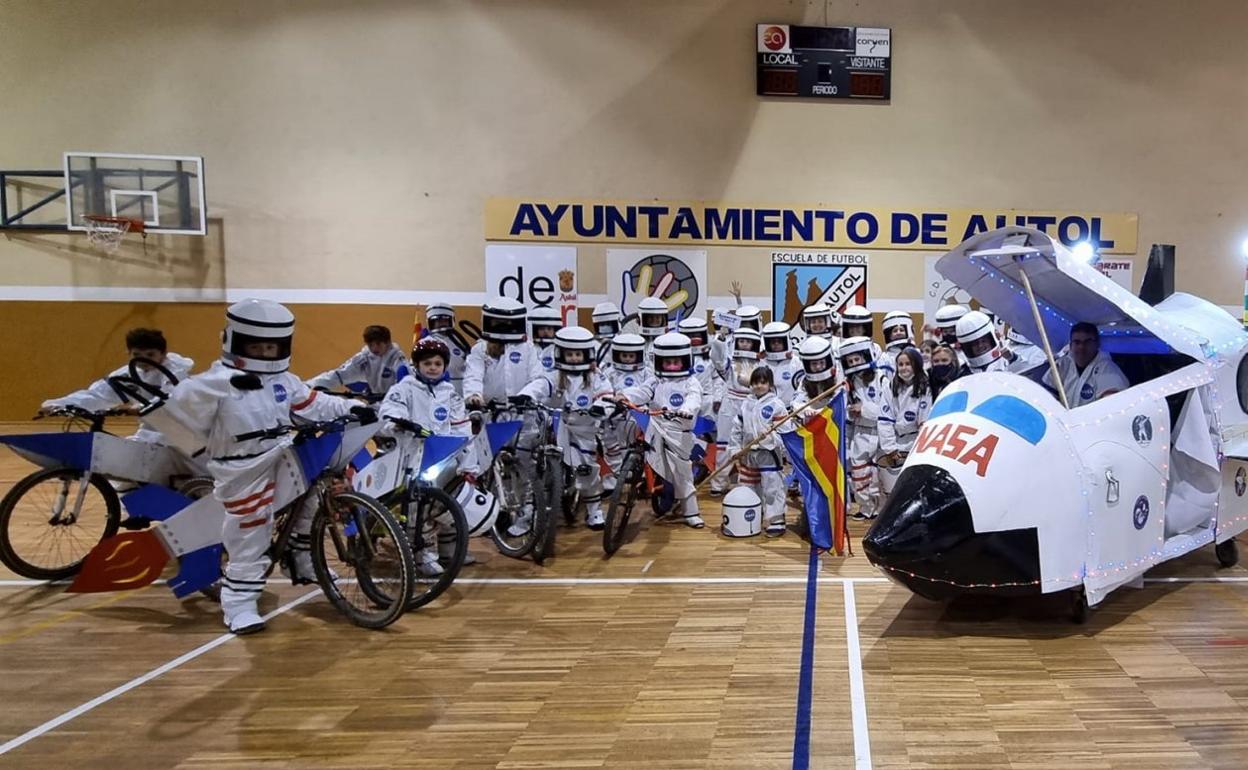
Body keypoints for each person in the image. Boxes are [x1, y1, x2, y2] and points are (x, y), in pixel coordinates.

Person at [148, 299, 370, 634]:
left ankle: (301, 554)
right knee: (251, 531)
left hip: (281, 453)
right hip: (240, 470)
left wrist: (352, 406)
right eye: (256, 346)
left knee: (317, 488)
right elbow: (180, 406)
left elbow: (313, 402)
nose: (265, 353)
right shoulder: (216, 380)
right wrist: (224, 387)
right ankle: (238, 606)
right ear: (234, 341)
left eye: (271, 346)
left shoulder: (285, 380)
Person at [378, 337, 473, 575]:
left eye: (438, 364)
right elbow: (389, 414)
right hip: (411, 458)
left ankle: (450, 550)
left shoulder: (450, 393)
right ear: (417, 365)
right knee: (416, 509)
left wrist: (467, 460)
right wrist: (400, 424)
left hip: (443, 458)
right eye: (427, 363)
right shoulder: (404, 389)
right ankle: (422, 555)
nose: (432, 367)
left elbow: (462, 427)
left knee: (448, 505)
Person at [462, 297, 551, 536]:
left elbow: (540, 378)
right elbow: (473, 375)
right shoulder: (481, 349)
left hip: (524, 415)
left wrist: (527, 395)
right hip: (492, 413)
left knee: (524, 464)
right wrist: (473, 396)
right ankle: (495, 510)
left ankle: (528, 511)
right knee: (490, 466)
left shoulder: (527, 348)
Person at [40, 327, 195, 446]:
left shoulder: (175, 371)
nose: (143, 360)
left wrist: (138, 408)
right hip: (151, 433)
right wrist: (58, 404)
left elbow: (170, 398)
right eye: (136, 355)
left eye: (150, 355)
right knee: (123, 473)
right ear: (128, 353)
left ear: (163, 354)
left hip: (183, 435)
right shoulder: (128, 374)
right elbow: (98, 394)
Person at [619, 332, 706, 528]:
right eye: (667, 362)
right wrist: (624, 395)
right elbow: (641, 392)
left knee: (683, 473)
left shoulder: (691, 382)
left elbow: (694, 399)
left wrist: (686, 410)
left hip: (679, 433)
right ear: (659, 361)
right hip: (656, 426)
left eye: (676, 361)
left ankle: (691, 512)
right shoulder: (655, 381)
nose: (672, 366)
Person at [542, 326, 615, 530]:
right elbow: (539, 386)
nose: (574, 358)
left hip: (584, 430)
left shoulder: (595, 376)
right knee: (543, 464)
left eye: (577, 354)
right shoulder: (554, 375)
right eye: (569, 354)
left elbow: (606, 394)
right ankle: (543, 507)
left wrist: (601, 408)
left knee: (587, 469)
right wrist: (527, 395)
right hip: (557, 427)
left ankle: (594, 511)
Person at [730, 366, 789, 537]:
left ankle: (777, 519)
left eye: (763, 383)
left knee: (772, 487)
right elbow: (737, 428)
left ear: (770, 384)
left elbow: (785, 431)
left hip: (768, 453)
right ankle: (753, 514)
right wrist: (735, 448)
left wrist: (770, 438)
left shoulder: (777, 405)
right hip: (749, 453)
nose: (758, 386)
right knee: (748, 485)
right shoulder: (746, 404)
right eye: (755, 382)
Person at [840, 336, 890, 520]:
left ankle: (881, 509)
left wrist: (865, 409)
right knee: (859, 471)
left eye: (857, 359)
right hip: (860, 432)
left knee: (878, 474)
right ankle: (865, 507)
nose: (854, 364)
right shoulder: (849, 383)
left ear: (866, 356)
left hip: (879, 432)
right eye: (850, 361)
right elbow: (844, 411)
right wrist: (850, 413)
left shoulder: (881, 379)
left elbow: (888, 411)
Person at [711, 327, 761, 496]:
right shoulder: (730, 362)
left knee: (750, 444)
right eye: (742, 341)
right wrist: (721, 339)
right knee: (723, 445)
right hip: (730, 402)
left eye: (748, 342)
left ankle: (747, 484)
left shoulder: (760, 364)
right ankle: (718, 483)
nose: (745, 345)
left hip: (751, 403)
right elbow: (717, 360)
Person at [878, 347, 932, 503]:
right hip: (896, 443)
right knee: (893, 492)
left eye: (908, 364)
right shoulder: (890, 386)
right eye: (900, 364)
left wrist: (920, 448)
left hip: (916, 442)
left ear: (916, 365)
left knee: (915, 488)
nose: (904, 368)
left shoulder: (925, 387)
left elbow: (924, 420)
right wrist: (890, 447)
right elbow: (885, 418)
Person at [1042, 322, 1129, 407]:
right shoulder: (1062, 365)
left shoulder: (1109, 370)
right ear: (1071, 345)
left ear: (1097, 344)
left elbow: (1111, 408)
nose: (1081, 347)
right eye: (1077, 342)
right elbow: (1045, 400)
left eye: (1087, 342)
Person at [308, 325, 410, 396]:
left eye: (378, 344)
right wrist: (310, 385)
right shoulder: (364, 358)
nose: (374, 348)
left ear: (388, 342)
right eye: (370, 345)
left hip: (395, 404)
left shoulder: (397, 358)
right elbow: (339, 375)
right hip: (375, 403)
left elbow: (405, 382)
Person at [425, 303, 470, 395]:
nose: (441, 324)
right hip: (436, 390)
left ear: (451, 320)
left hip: (461, 390)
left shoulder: (458, 341)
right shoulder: (426, 343)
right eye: (437, 321)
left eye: (444, 321)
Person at [761, 320, 800, 403]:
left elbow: (801, 388)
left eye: (779, 342)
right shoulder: (762, 363)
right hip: (767, 409)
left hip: (790, 409)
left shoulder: (795, 362)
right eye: (773, 342)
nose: (776, 344)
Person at [841, 305, 887, 371]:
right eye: (851, 326)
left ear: (864, 329)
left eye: (858, 326)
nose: (854, 329)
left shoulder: (875, 348)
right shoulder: (839, 348)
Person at [529, 305, 563, 372]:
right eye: (541, 329)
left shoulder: (558, 349)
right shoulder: (530, 347)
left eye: (549, 328)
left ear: (555, 330)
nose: (546, 331)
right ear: (536, 330)